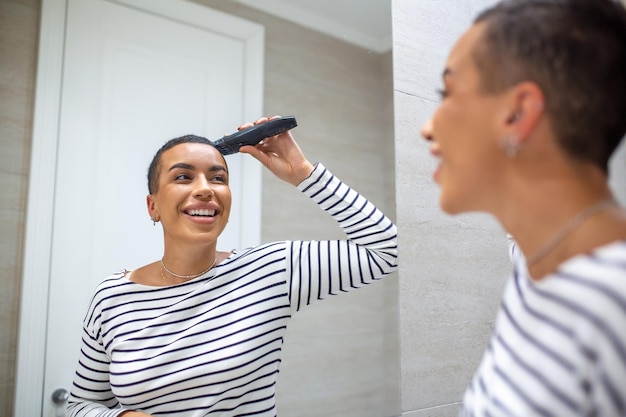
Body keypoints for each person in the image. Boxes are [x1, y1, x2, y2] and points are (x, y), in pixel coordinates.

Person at [65, 116, 398, 417]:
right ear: (153, 206)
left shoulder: (271, 271)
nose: (205, 189)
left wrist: (302, 172)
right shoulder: (112, 297)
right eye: (183, 177)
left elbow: (386, 249)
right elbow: (81, 405)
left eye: (218, 178)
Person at [420, 0, 626, 415]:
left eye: (447, 92)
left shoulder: (614, 302)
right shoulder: (534, 266)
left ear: (518, 113)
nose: (427, 128)